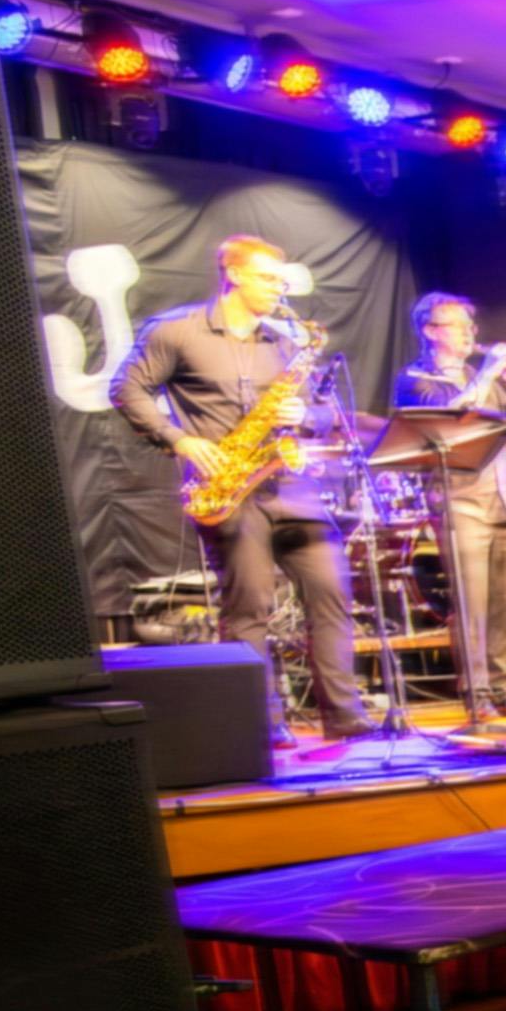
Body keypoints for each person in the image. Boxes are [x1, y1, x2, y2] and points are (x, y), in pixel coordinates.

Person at [110, 236, 369, 745]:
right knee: (249, 608)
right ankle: (263, 724)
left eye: (282, 280)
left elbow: (322, 414)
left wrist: (308, 416)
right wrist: (180, 439)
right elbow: (126, 388)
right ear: (233, 274)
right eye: (270, 279)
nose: (280, 289)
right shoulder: (177, 330)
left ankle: (344, 717)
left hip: (292, 485)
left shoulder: (286, 342)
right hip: (229, 487)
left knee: (332, 597)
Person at [395, 293, 506, 723]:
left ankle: (503, 689)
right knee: (472, 603)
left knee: (505, 603)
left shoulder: (486, 377)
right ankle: (475, 694)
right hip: (460, 500)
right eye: (457, 325)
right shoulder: (415, 378)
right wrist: (490, 373)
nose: (468, 334)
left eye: (470, 326)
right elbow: (453, 416)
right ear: (430, 331)